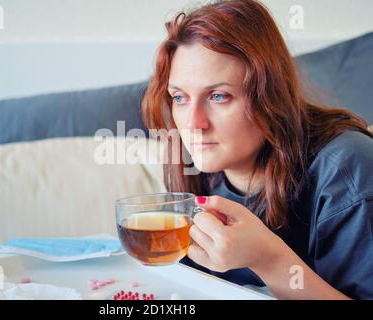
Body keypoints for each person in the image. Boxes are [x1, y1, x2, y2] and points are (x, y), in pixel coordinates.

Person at [142, 0, 373, 299]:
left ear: (270, 95)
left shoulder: (346, 171)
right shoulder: (194, 167)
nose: (194, 124)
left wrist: (269, 259)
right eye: (180, 97)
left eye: (219, 96)